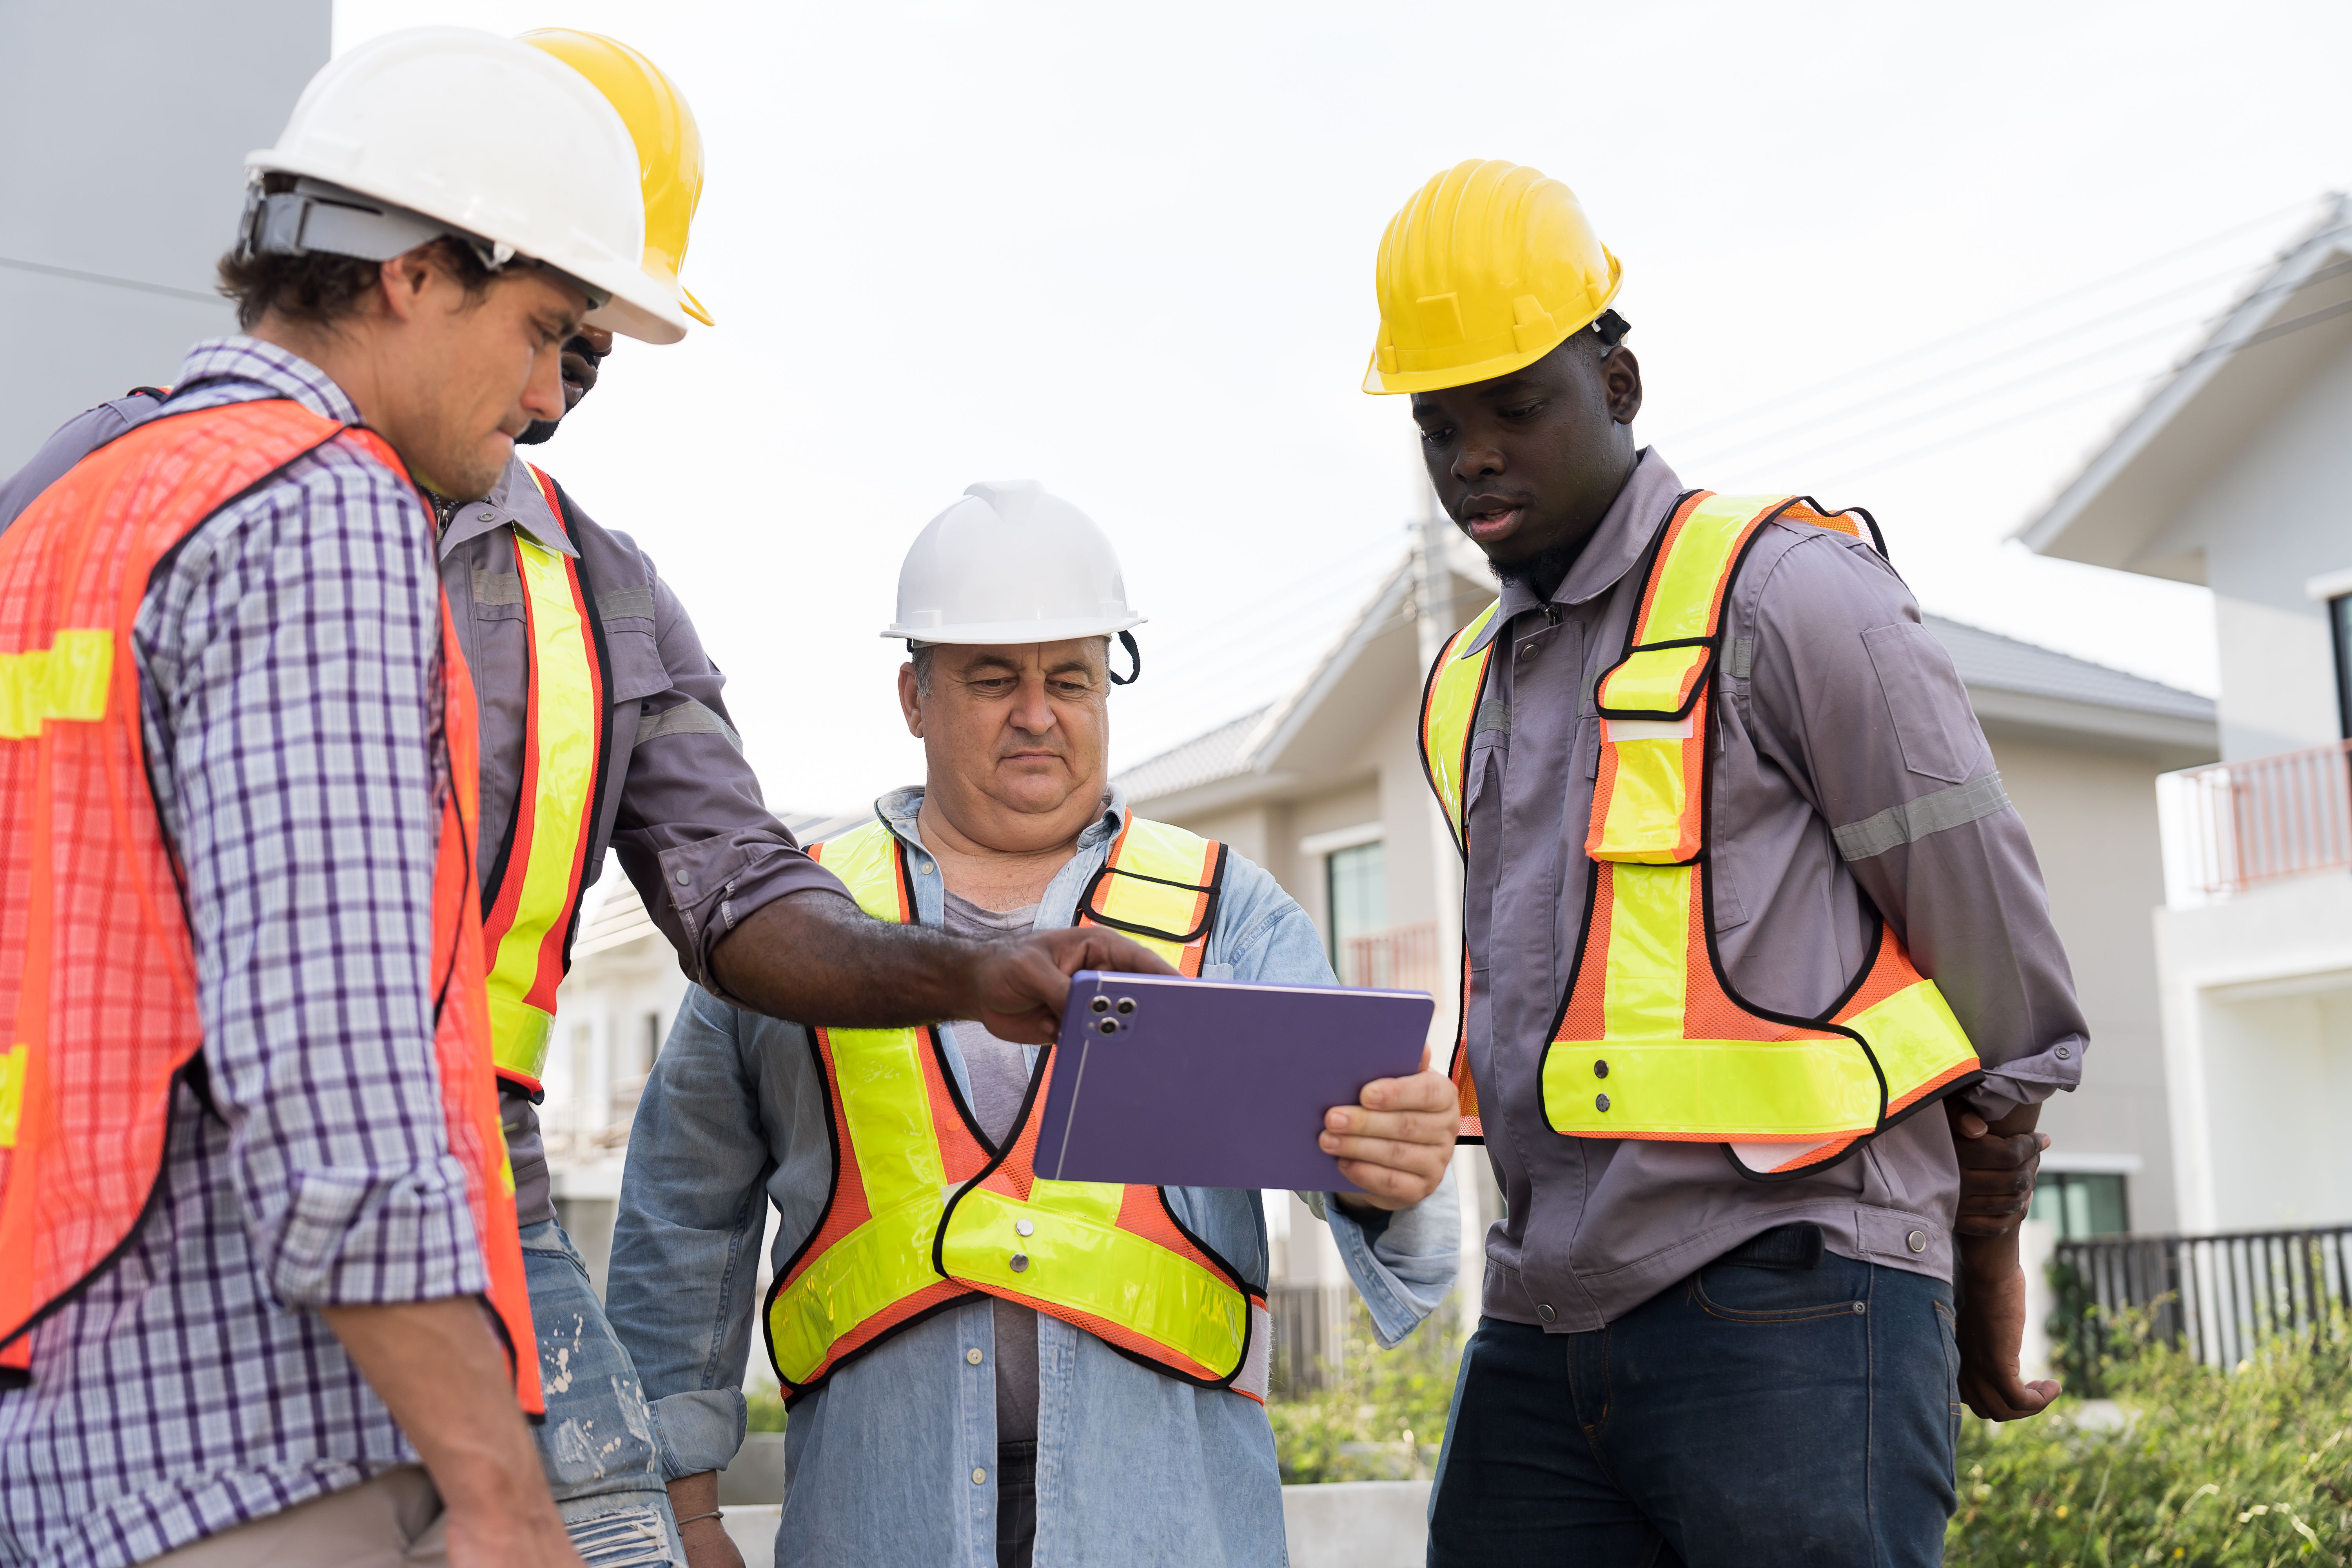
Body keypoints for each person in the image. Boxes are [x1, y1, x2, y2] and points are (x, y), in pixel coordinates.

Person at [0, 32, 1165, 1568]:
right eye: (552, 330)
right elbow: (334, 1070)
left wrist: (968, 968)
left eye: (588, 356)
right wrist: (501, 1489)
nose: (551, 394)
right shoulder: (317, 510)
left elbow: (739, 891)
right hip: (274, 1300)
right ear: (418, 270)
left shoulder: (85, 494)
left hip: (106, 1297)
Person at [1367, 161, 2076, 1566]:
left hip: (1797, 1294)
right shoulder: (1464, 687)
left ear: (1618, 385)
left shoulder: (1792, 595)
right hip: (1541, 1315)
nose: (1475, 458)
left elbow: (1996, 961)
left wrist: (1986, 1253)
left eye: (1517, 407)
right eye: (1441, 426)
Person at [605, 481, 1465, 1568]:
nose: (1038, 713)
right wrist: (684, 1515)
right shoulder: (794, 925)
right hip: (881, 1521)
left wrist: (1389, 1166)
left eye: (1071, 679)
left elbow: (1364, 1170)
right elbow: (681, 1225)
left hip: (1167, 1526)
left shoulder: (1226, 910)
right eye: (993, 678)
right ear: (914, 696)